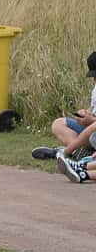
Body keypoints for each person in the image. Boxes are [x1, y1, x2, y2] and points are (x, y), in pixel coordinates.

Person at [34, 52, 96, 181]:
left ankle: (66, 153)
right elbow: (93, 108)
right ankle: (80, 154)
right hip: (90, 129)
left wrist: (92, 120)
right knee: (58, 123)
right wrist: (86, 113)